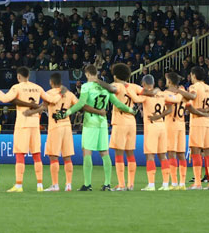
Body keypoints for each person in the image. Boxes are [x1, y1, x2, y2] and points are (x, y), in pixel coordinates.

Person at [63, 64, 135, 191]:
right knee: (104, 153)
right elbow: (117, 103)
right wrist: (130, 109)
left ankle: (87, 184)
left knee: (87, 152)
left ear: (87, 74)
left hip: (90, 122)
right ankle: (107, 183)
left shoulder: (86, 86)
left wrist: (67, 113)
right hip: (102, 123)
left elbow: (81, 103)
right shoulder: (105, 87)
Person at [0, 66, 59, 192]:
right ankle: (40, 185)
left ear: (18, 76)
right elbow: (51, 100)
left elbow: (6, 99)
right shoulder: (38, 87)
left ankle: (18, 185)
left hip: (23, 123)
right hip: (35, 124)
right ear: (28, 76)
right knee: (36, 154)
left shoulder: (17, 87)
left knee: (20, 154)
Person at [39, 72, 78, 192]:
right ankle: (68, 184)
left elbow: (43, 107)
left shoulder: (49, 93)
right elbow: (77, 106)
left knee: (53, 156)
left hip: (55, 127)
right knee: (67, 157)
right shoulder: (69, 94)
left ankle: (55, 185)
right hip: (67, 126)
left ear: (51, 82)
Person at [106, 63, 143, 191]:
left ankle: (121, 184)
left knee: (119, 154)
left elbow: (110, 89)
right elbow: (146, 93)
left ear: (115, 75)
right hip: (131, 122)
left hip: (120, 121)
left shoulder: (116, 85)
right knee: (130, 153)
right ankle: (130, 184)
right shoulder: (134, 86)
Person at [136, 74, 171, 191]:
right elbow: (170, 108)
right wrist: (160, 116)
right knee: (163, 155)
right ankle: (165, 184)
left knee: (150, 155)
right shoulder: (161, 94)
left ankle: (151, 184)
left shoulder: (146, 95)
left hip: (151, 126)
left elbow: (136, 99)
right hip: (162, 125)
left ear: (144, 84)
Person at [186, 66, 209, 190]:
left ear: (193, 75)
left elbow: (189, 104)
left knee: (196, 152)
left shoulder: (193, 88)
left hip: (197, 122)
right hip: (208, 122)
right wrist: (206, 111)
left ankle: (197, 182)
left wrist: (200, 112)